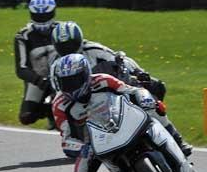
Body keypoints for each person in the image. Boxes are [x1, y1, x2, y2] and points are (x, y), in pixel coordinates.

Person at [52, 54, 186, 172]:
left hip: (123, 119)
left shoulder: (102, 80)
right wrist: (80, 147)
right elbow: (66, 139)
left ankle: (178, 141)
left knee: (154, 108)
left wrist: (145, 98)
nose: (71, 87)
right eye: (65, 83)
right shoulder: (59, 105)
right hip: (94, 144)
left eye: (75, 80)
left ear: (86, 74)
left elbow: (131, 90)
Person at [50, 22, 191, 156]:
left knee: (153, 98)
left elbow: (119, 58)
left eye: (70, 44)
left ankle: (177, 139)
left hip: (111, 86)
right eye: (63, 46)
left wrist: (137, 72)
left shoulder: (93, 49)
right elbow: (58, 89)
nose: (67, 49)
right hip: (83, 106)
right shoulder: (56, 65)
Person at [14, 0, 59, 128]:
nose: (42, 19)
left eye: (45, 16)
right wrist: (40, 81)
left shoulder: (62, 30)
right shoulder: (23, 36)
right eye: (38, 16)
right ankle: (49, 111)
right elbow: (21, 68)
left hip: (61, 75)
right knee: (26, 117)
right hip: (38, 80)